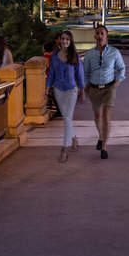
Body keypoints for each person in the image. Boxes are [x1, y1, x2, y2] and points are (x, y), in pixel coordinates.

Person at [83, 24, 127, 159]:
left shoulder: (114, 52)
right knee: (97, 116)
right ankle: (101, 137)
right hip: (94, 89)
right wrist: (85, 89)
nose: (100, 36)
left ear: (106, 36)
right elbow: (85, 73)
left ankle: (105, 147)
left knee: (107, 115)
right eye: (98, 33)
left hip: (110, 88)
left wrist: (116, 84)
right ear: (94, 36)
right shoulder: (90, 54)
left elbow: (121, 69)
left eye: (102, 33)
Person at [45, 29, 86, 162]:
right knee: (66, 118)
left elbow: (80, 75)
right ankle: (74, 139)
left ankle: (64, 149)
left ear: (71, 41)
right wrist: (47, 89)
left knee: (67, 118)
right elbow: (51, 74)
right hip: (58, 90)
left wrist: (82, 91)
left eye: (67, 39)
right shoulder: (54, 57)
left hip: (71, 90)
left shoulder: (75, 57)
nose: (64, 41)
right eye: (63, 38)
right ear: (59, 40)